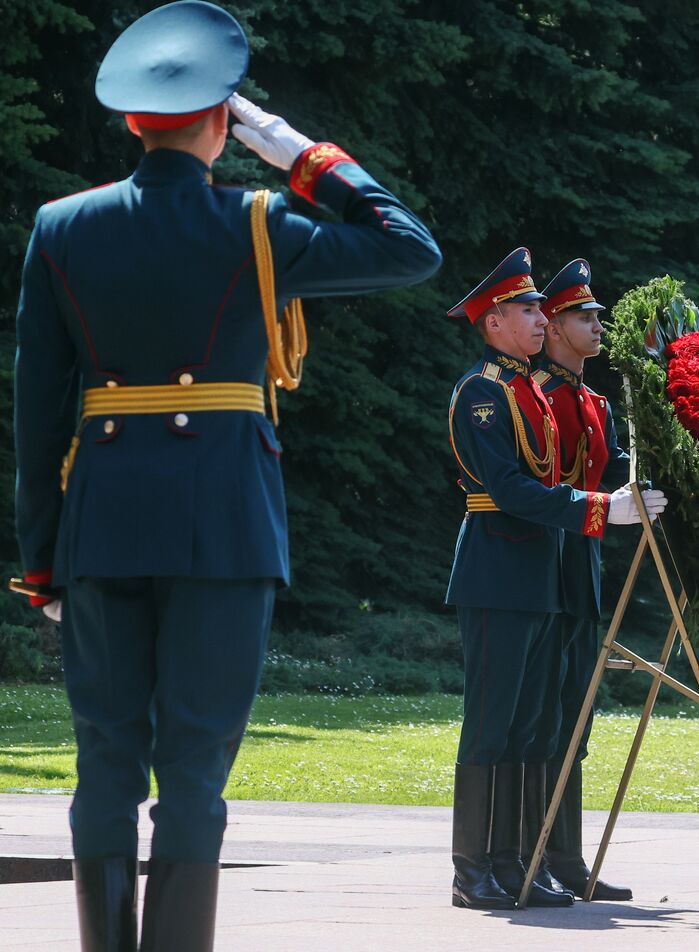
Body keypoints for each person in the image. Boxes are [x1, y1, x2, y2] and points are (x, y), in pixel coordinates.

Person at [11, 3, 442, 948]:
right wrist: (299, 153)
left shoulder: (61, 227)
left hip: (103, 524)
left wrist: (43, 557)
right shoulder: (258, 223)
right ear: (223, 120)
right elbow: (409, 247)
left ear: (132, 121)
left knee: (105, 764)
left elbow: (37, 415)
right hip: (225, 526)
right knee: (195, 770)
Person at [443, 249, 665, 910]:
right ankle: (470, 867)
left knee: (533, 725)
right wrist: (601, 509)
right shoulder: (482, 393)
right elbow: (511, 489)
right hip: (497, 567)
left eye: (542, 308)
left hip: (537, 570)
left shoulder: (529, 391)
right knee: (491, 722)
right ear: (493, 323)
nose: (541, 319)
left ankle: (515, 861)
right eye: (528, 309)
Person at [531, 258, 633, 900]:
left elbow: (617, 472)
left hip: (582, 571)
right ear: (554, 327)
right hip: (541, 565)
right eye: (583, 317)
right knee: (540, 719)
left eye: (597, 316)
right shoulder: (534, 394)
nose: (598, 326)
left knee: (576, 720)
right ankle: (531, 855)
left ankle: (565, 858)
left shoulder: (595, 402)